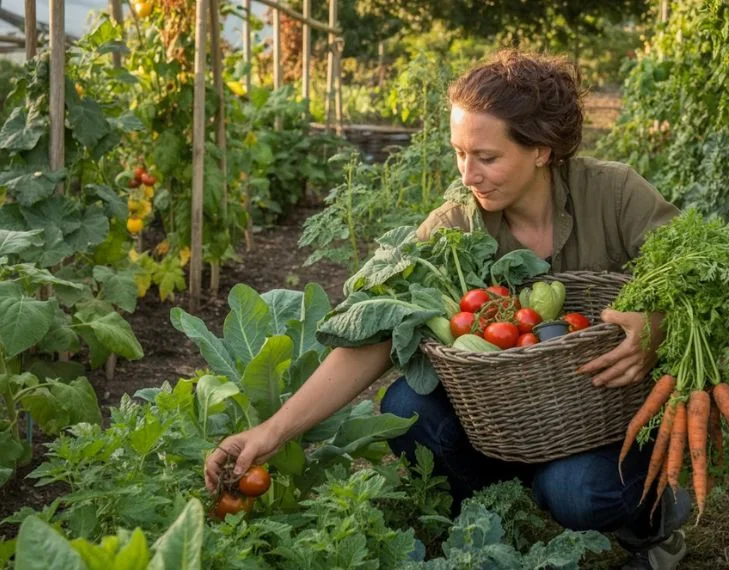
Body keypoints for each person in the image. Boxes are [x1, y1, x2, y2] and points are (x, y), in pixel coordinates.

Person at [205, 50, 689, 570]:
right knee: (405, 405)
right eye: (459, 153)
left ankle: (652, 522)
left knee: (577, 491)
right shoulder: (455, 226)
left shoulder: (615, 194)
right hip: (507, 424)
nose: (468, 174)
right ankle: (497, 521)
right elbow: (376, 335)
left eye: (487, 157)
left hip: (607, 421)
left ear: (542, 150)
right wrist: (273, 431)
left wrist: (659, 325)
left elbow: (700, 275)